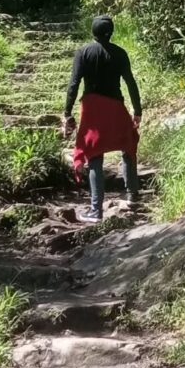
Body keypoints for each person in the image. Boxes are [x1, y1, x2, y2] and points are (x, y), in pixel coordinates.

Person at [62, 15, 142, 223]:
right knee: (128, 143)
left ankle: (96, 210)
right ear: (111, 32)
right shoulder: (120, 53)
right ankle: (132, 194)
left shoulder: (83, 52)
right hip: (115, 106)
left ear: (93, 33)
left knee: (94, 153)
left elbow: (74, 84)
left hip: (92, 107)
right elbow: (131, 83)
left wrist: (67, 113)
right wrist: (137, 110)